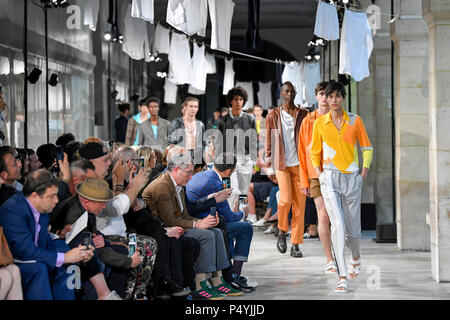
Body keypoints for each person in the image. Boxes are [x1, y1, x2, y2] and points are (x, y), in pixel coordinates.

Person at [142, 153, 242, 300]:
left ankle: (218, 279)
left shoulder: (177, 184)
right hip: (165, 230)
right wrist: (197, 224)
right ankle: (200, 283)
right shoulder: (163, 186)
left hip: (175, 225)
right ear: (176, 169)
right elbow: (169, 220)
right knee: (207, 235)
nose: (191, 176)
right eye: (188, 172)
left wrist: (202, 221)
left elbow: (186, 213)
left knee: (216, 231)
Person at [311, 81, 373, 293]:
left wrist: (362, 173)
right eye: (331, 96)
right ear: (326, 99)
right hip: (329, 179)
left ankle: (356, 256)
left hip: (351, 178)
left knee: (353, 232)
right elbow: (314, 153)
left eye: (338, 96)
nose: (334, 100)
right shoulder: (319, 124)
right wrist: (320, 175)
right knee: (336, 223)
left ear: (343, 98)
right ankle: (342, 275)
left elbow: (367, 149)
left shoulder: (355, 121)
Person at [0, 169, 97, 300]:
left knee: (66, 255)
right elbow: (24, 252)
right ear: (34, 196)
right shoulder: (12, 210)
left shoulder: (43, 207)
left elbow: (45, 242)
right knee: (40, 268)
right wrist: (64, 257)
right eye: (51, 196)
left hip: (35, 255)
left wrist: (77, 255)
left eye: (56, 195)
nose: (56, 200)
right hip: (16, 261)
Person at [186, 153, 254, 283]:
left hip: (196, 217)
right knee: (246, 227)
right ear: (228, 171)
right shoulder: (216, 183)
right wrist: (243, 213)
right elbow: (229, 217)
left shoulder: (199, 175)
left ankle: (229, 272)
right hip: (208, 223)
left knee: (226, 227)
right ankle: (235, 274)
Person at [265, 81, 308, 258]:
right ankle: (282, 230)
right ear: (281, 93)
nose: (289, 94)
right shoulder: (273, 116)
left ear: (295, 93)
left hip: (300, 164)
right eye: (286, 91)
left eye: (292, 91)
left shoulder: (304, 114)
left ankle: (295, 244)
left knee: (300, 205)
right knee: (285, 200)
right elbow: (269, 140)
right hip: (281, 163)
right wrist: (269, 166)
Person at [298, 81, 337, 274]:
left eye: (327, 94)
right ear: (317, 96)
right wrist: (303, 180)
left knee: (336, 216)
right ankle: (330, 259)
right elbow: (302, 151)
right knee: (323, 214)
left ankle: (336, 254)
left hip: (337, 172)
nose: (324, 97)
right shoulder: (308, 120)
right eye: (321, 93)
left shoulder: (338, 118)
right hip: (316, 175)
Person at [217, 87, 257, 222]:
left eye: (241, 99)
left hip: (246, 160)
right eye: (236, 99)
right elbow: (219, 142)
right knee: (232, 191)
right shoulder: (222, 120)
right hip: (228, 161)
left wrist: (254, 162)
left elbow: (253, 141)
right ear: (230, 101)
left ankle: (241, 217)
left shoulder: (250, 119)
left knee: (244, 193)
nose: (238, 102)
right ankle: (229, 217)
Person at [168, 97, 205, 164]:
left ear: (198, 109)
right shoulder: (177, 123)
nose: (193, 109)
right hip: (181, 156)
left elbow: (203, 143)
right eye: (191, 106)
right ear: (185, 107)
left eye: (195, 106)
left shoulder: (200, 125)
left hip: (197, 158)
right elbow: (171, 143)